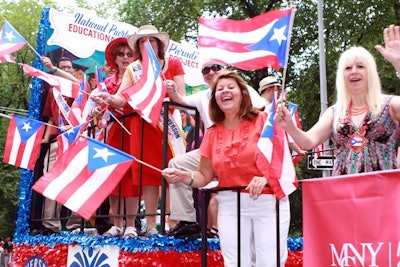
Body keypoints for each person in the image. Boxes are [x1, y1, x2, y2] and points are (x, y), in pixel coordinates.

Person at [162, 70, 290, 267]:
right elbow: (204, 176)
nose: (225, 91)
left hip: (267, 200)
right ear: (214, 99)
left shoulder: (264, 121)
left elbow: (283, 160)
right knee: (235, 263)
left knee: (269, 262)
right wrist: (183, 176)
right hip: (230, 204)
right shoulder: (212, 133)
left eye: (231, 87)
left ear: (243, 93)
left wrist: (266, 177)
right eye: (219, 89)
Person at [92, 25, 186, 236]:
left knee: (169, 173)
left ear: (160, 44)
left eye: (151, 40)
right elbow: (121, 97)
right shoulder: (134, 68)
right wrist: (108, 98)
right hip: (140, 124)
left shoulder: (174, 63)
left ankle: (170, 223)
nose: (148, 44)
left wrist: (171, 92)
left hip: (164, 126)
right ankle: (150, 225)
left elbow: (182, 98)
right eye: (142, 41)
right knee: (147, 175)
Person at [275, 24, 400, 175]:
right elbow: (308, 141)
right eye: (347, 68)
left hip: (384, 191)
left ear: (370, 73)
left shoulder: (389, 104)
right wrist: (290, 126)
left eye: (360, 66)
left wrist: (398, 64)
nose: (353, 71)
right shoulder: (334, 112)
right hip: (344, 192)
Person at [166, 61, 265, 239]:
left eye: (216, 67)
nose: (211, 72)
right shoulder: (203, 96)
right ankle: (187, 220)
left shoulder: (245, 90)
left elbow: (261, 111)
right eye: (206, 70)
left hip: (242, 147)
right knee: (177, 164)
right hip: (213, 148)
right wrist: (171, 90)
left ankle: (223, 227)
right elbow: (182, 102)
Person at [96, 37, 139, 237]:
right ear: (115, 58)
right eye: (121, 54)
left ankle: (131, 224)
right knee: (114, 176)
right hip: (112, 130)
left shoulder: (140, 78)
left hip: (133, 129)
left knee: (131, 177)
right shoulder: (106, 82)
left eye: (129, 54)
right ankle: (117, 224)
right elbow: (101, 108)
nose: (125, 57)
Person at [38, 56, 82, 235]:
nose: (67, 69)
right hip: (56, 140)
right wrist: (45, 138)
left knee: (76, 181)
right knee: (50, 179)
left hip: (75, 139)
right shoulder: (53, 90)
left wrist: (55, 70)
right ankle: (50, 225)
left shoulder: (78, 87)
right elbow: (49, 117)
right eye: (63, 66)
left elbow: (76, 83)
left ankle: (75, 225)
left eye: (69, 67)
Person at [258, 76, 307, 159]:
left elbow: (285, 134)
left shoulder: (274, 109)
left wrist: (298, 151)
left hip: (273, 153)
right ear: (269, 89)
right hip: (261, 152)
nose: (280, 92)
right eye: (278, 89)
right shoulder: (256, 105)